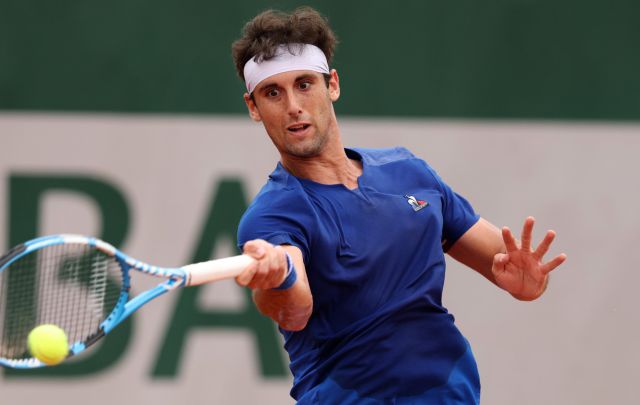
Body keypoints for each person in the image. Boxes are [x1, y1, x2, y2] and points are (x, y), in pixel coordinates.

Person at [231, 7, 567, 404]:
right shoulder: (272, 216)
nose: (293, 106)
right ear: (254, 107)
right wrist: (278, 279)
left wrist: (529, 283)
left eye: (304, 84)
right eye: (273, 93)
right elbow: (294, 310)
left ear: (332, 85)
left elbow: (505, 265)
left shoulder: (409, 172)